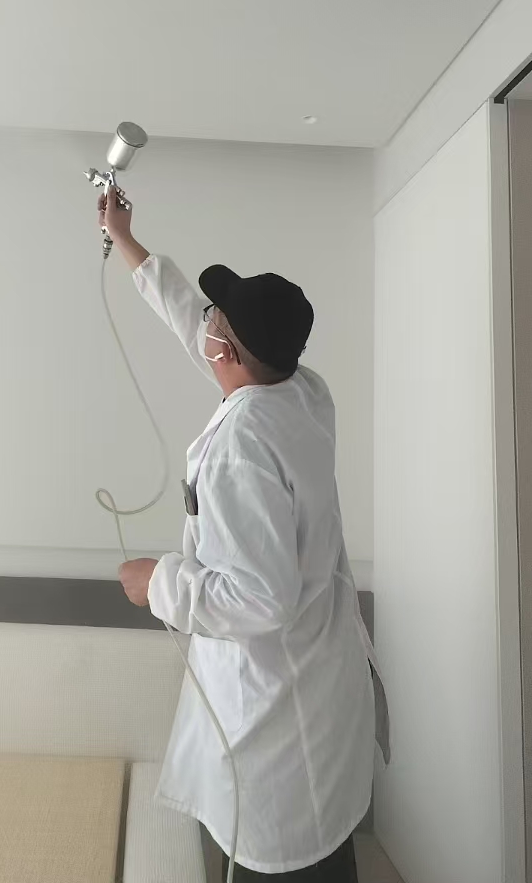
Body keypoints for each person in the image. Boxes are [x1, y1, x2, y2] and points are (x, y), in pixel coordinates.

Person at [100, 191, 389, 882]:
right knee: (326, 848)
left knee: (289, 862)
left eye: (215, 321)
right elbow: (195, 324)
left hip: (277, 717)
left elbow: (259, 599)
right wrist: (127, 241)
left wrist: (158, 584)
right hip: (317, 686)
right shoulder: (302, 391)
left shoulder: (241, 449)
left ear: (225, 350)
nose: (204, 322)